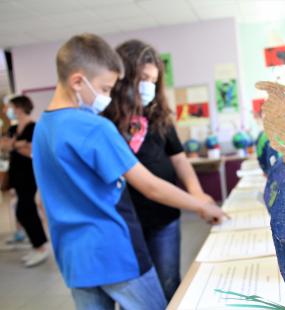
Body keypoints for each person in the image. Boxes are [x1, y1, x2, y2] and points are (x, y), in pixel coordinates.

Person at [32, 33, 227, 309]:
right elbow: (150, 186)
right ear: (78, 81)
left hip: (74, 259)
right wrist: (202, 206)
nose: (106, 97)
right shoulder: (95, 127)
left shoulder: (42, 128)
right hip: (115, 252)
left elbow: (40, 199)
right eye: (104, 89)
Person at [103, 39, 214, 301]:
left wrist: (197, 194)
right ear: (123, 77)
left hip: (164, 218)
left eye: (152, 80)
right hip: (127, 221)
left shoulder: (159, 115)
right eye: (141, 78)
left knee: (168, 284)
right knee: (136, 294)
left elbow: (179, 159)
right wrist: (198, 205)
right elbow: (147, 185)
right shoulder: (105, 120)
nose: (147, 86)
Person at [0, 95, 49, 267]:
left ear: (19, 108)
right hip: (16, 174)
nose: (9, 111)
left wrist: (15, 145)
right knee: (22, 209)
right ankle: (37, 246)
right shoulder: (14, 128)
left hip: (29, 175)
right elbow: (3, 145)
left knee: (25, 210)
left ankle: (41, 246)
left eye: (11, 107)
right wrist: (18, 145)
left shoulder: (33, 127)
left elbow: (32, 151)